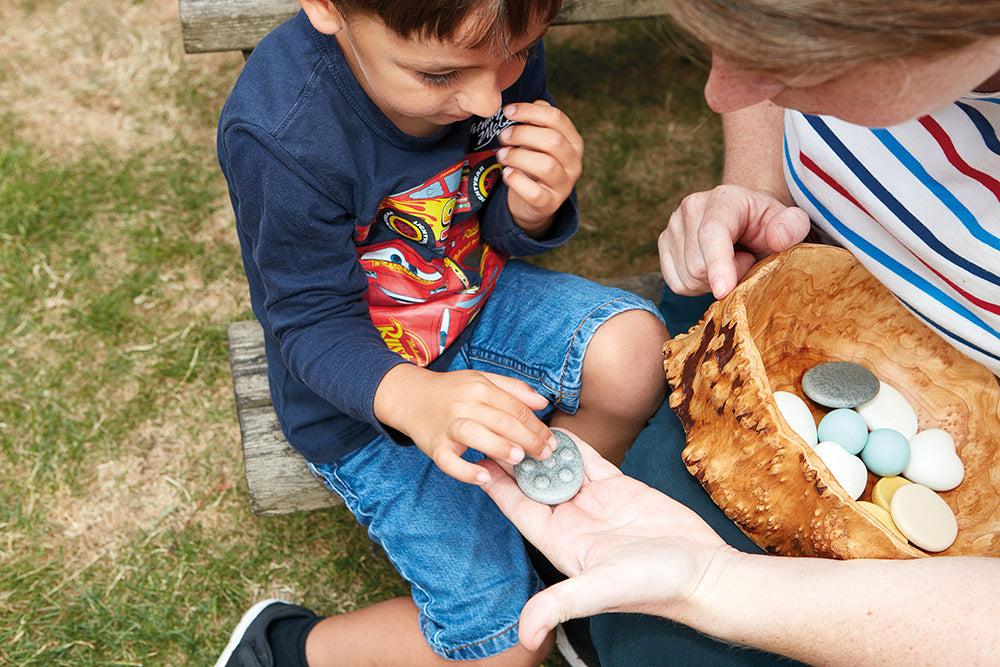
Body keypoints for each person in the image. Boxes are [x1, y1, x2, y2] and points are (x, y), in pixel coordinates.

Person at [485, 1, 1000, 664]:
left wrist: (718, 582)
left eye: (799, 56)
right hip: (772, 321)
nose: (717, 90)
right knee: (630, 606)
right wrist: (757, 187)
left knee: (661, 640)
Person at [212, 0, 669, 665]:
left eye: (515, 55)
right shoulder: (283, 130)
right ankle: (283, 648)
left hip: (474, 304)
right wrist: (417, 399)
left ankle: (547, 543)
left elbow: (488, 222)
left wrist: (529, 207)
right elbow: (309, 323)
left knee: (634, 353)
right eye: (438, 75)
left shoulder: (489, 31)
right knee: (508, 645)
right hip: (362, 394)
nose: (489, 95)